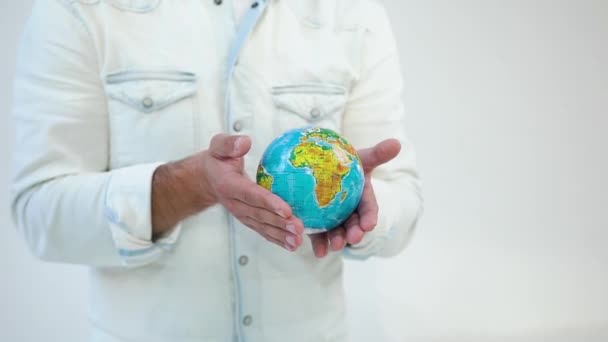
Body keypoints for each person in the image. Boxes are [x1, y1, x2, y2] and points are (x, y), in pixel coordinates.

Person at [10, 0, 423, 341]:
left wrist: (366, 208)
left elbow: (400, 198)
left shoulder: (354, 14)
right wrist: (189, 186)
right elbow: (41, 211)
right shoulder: (77, 10)